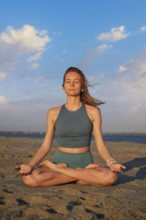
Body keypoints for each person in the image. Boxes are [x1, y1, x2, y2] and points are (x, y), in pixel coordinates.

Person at [15, 66, 126, 187]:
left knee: (111, 176)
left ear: (83, 87)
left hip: (82, 163)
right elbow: (45, 146)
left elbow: (100, 145)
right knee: (30, 179)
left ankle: (61, 171)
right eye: (68, 82)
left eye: (76, 82)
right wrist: (30, 166)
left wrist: (112, 163)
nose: (72, 85)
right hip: (65, 163)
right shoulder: (53, 112)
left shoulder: (93, 111)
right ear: (63, 87)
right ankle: (79, 176)